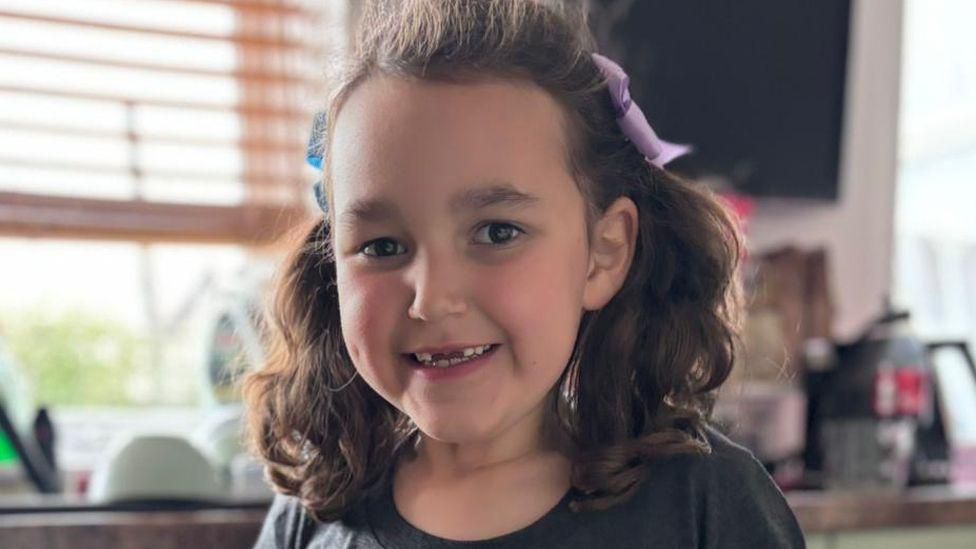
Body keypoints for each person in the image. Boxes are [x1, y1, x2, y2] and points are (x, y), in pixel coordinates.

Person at [245, 0, 806, 547]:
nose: (432, 300)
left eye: (496, 233)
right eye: (382, 246)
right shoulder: (313, 513)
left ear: (604, 253)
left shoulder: (707, 505)